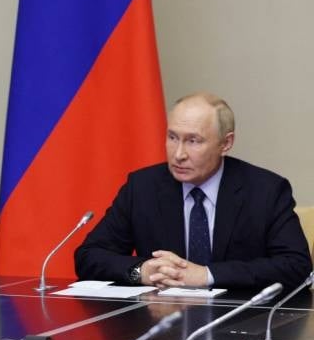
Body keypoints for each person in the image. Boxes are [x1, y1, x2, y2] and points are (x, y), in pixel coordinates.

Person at [74, 92, 311, 290]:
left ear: (225, 143)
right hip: (162, 326)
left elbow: (296, 266)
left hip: (241, 322)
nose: (178, 154)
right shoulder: (142, 187)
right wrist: (141, 271)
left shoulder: (266, 190)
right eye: (172, 137)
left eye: (193, 141)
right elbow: (88, 256)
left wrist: (207, 275)